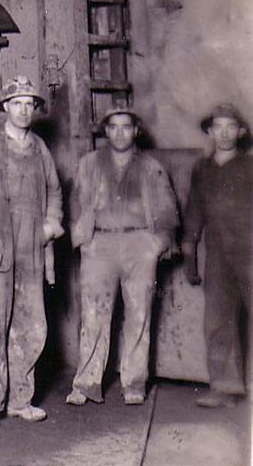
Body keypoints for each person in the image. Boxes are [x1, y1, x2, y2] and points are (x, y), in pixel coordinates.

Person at [0, 75, 64, 431]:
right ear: (4, 107)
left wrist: (52, 223)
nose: (23, 110)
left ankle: (21, 399)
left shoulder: (39, 148)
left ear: (35, 109)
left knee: (32, 327)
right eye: (16, 102)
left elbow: (54, 190)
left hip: (31, 250)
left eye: (29, 103)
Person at [66, 105, 178, 407]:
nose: (119, 132)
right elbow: (76, 204)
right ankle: (87, 383)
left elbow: (168, 211)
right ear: (105, 130)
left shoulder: (151, 167)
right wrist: (83, 241)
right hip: (100, 243)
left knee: (139, 315)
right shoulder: (89, 164)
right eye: (113, 126)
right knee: (93, 315)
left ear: (136, 131)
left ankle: (134, 383)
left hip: (138, 243)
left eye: (126, 126)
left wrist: (156, 244)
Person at [182, 103, 252, 408]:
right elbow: (194, 213)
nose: (224, 133)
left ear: (241, 132)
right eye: (218, 127)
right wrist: (189, 257)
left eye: (230, 127)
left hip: (250, 253)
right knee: (217, 321)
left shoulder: (250, 168)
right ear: (210, 131)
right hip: (218, 258)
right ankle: (226, 388)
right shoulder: (203, 169)